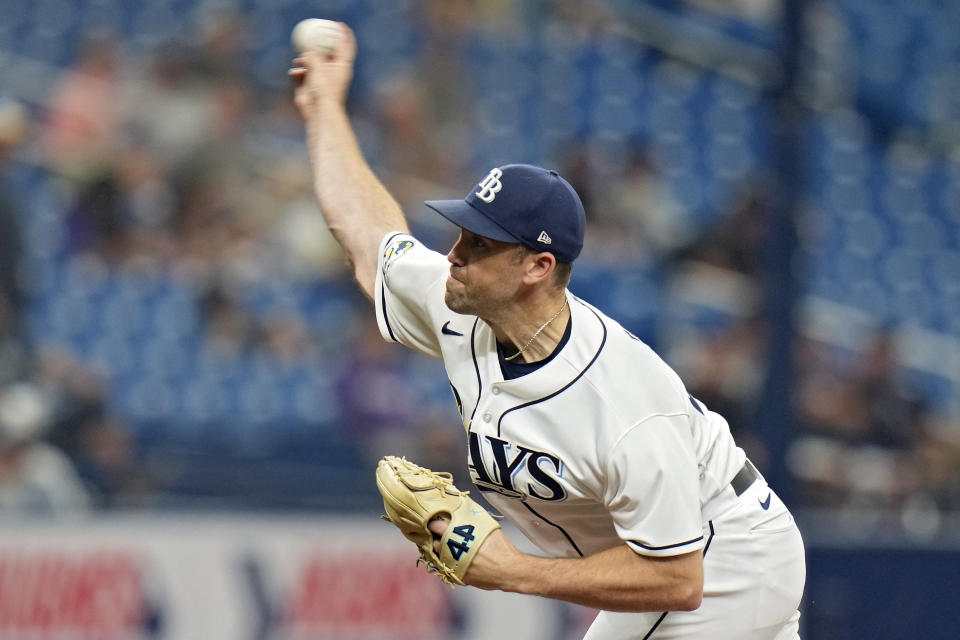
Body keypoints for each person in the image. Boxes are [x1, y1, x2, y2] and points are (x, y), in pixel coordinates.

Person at [289, 24, 805, 640]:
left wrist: (510, 570)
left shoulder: (625, 402)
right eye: (459, 235)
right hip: (677, 561)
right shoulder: (460, 303)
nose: (453, 255)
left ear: (536, 267)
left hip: (726, 559)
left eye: (479, 244)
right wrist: (324, 106)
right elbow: (364, 231)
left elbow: (677, 579)